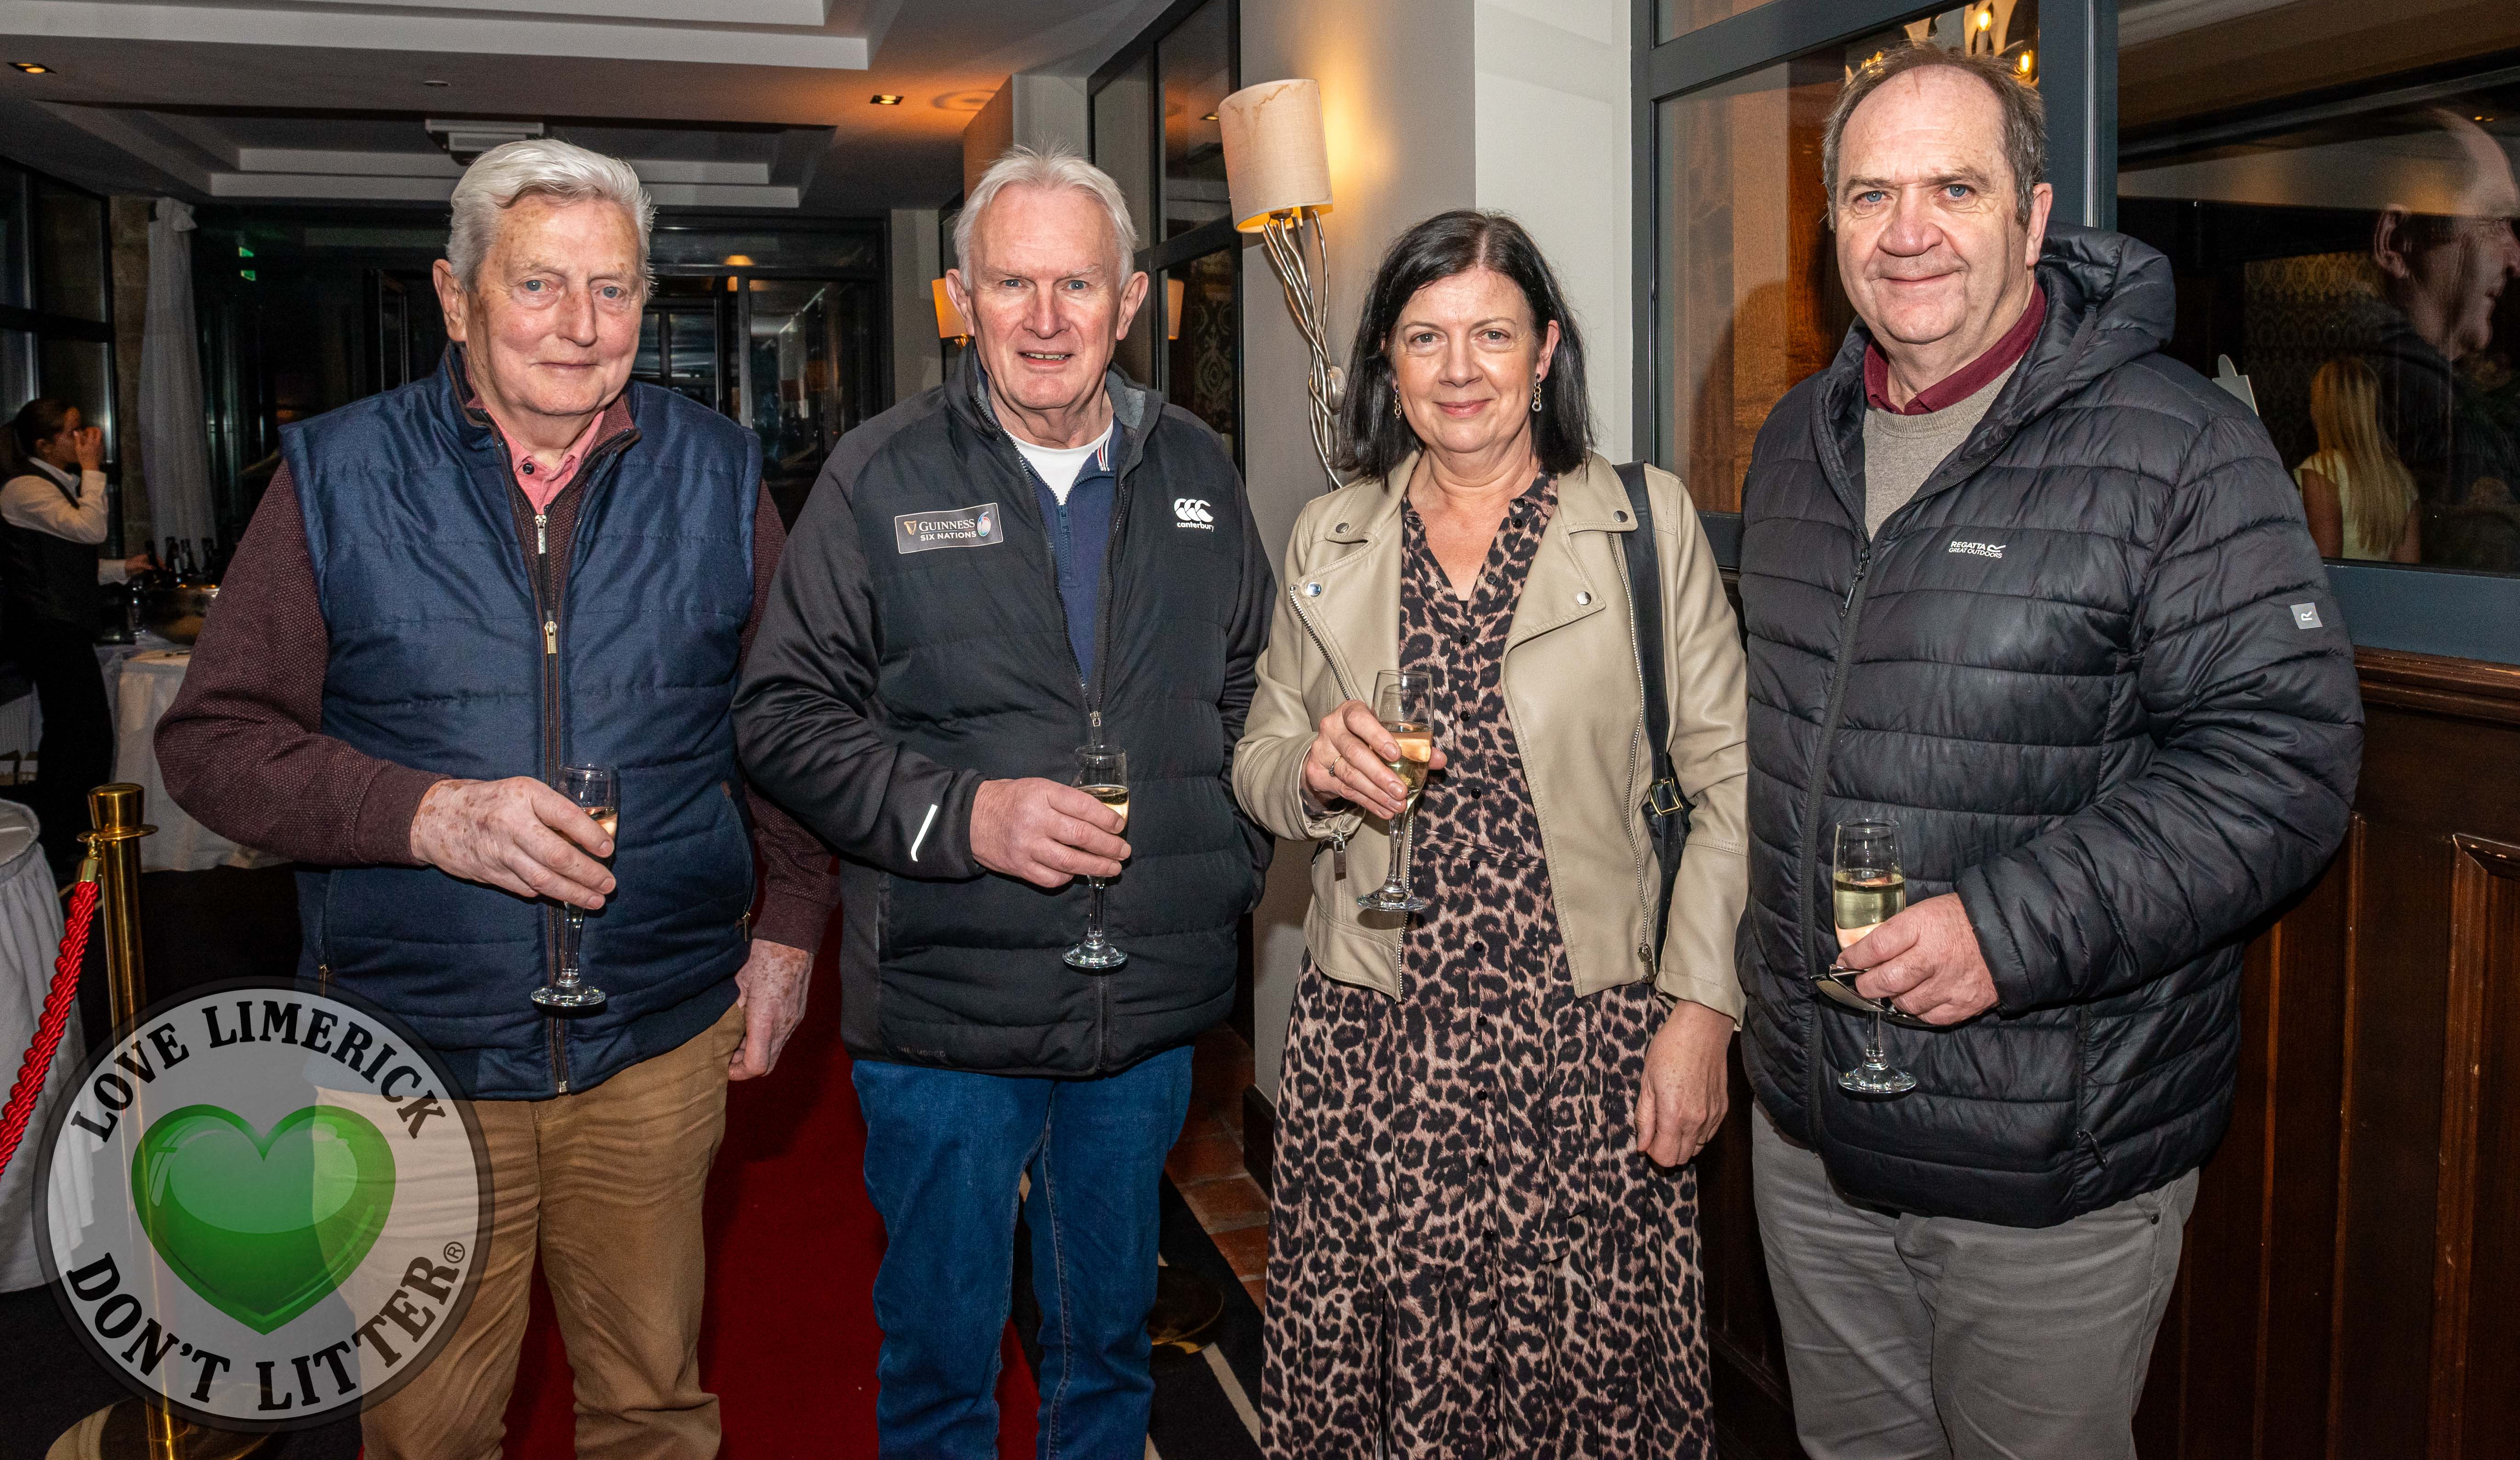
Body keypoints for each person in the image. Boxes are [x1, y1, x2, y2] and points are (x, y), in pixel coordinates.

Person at [157, 138, 833, 1459]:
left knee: (652, 1409)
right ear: (455, 296)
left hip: (655, 1034)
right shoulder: (335, 476)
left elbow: (787, 722)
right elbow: (214, 745)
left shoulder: (716, 470)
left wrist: (793, 923)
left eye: (614, 289)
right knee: (429, 1429)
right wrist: (429, 816)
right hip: (415, 1055)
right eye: (538, 285)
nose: (581, 325)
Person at [1734, 43, 2363, 1460]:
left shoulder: (2180, 447)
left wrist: (2004, 932)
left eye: (1953, 188)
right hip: (1814, 1134)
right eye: (1869, 194)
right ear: (1830, 224)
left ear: (2031, 217)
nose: (1907, 230)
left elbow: (2284, 762)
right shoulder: (1793, 445)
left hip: (2043, 1159)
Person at [732, 146, 1272, 1456]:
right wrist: (965, 815)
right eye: (1011, 283)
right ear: (959, 299)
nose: (1043, 318)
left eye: (1075, 284)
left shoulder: (1198, 467)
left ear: (1129, 300)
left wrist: (1223, 863)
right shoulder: (879, 474)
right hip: (944, 1012)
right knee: (941, 1365)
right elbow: (781, 716)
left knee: (1109, 1359)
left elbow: (1256, 691)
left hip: (1142, 1014)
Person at [1233, 210, 1750, 1458]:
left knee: (1590, 1382)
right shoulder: (1329, 533)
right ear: (1386, 361)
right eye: (1424, 337)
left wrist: (1701, 1012)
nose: (1458, 370)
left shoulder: (1644, 523)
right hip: (1377, 1041)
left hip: (1587, 1041)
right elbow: (1256, 759)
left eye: (1491, 335)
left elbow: (1729, 781)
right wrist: (1312, 770)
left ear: (1545, 350)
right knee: (1387, 1376)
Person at [2353, 107, 2520, 566]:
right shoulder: (2430, 404)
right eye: (2495, 221)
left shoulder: (2375, 380)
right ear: (2396, 243)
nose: (2515, 260)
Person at [0, 400, 153, 877]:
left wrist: (120, 568)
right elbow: (89, 529)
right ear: (45, 445)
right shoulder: (24, 487)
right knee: (80, 734)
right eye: (73, 431)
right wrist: (92, 471)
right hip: (46, 628)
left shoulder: (52, 483)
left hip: (60, 625)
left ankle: (65, 840)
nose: (86, 436)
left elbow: (64, 560)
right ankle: (61, 843)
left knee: (77, 734)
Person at [2297, 356, 2419, 562]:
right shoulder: (2401, 478)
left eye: (2314, 401)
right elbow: (2408, 571)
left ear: (2322, 410)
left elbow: (2326, 565)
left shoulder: (2323, 471)